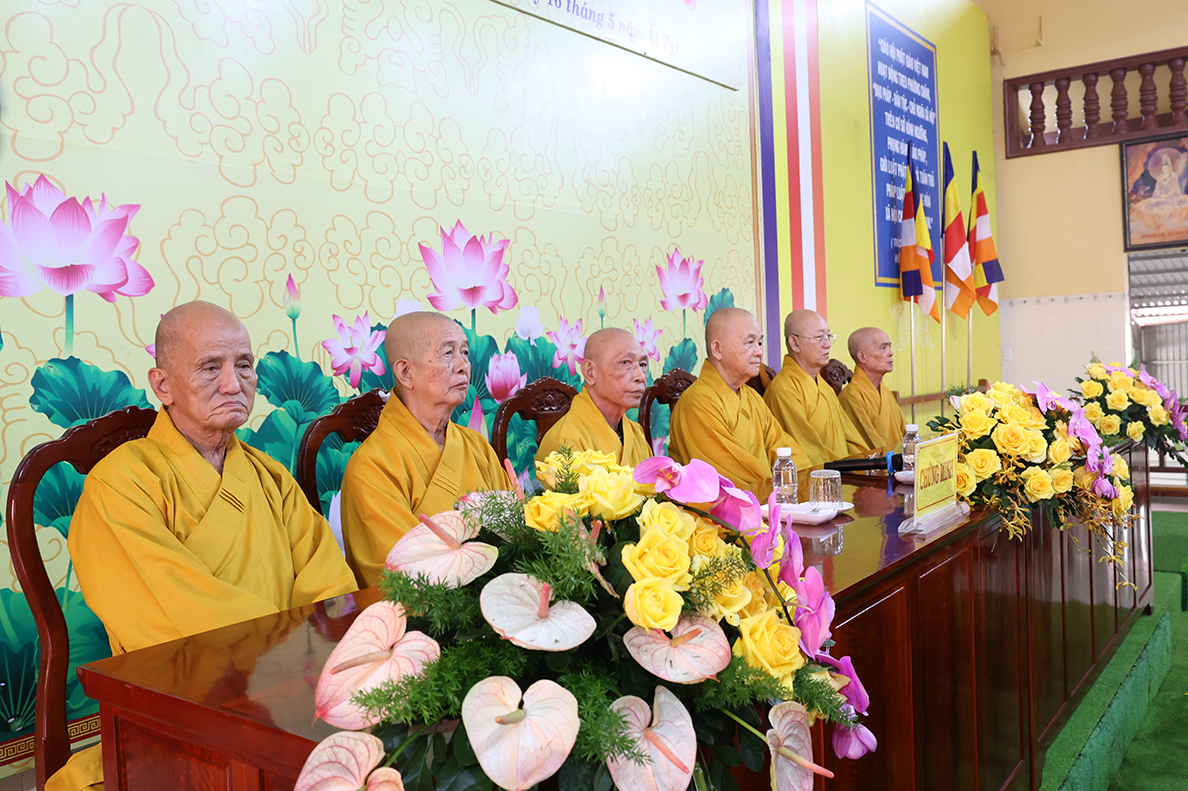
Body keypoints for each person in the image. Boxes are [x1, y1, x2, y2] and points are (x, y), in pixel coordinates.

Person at [54, 302, 357, 791]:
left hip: (301, 691)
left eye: (244, 365)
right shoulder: (120, 485)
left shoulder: (269, 475)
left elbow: (330, 585)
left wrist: (312, 665)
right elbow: (172, 623)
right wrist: (289, 655)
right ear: (163, 385)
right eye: (210, 367)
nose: (234, 384)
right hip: (188, 710)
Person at [340, 311, 512, 588]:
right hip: (432, 607)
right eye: (448, 353)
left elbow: (513, 533)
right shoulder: (371, 467)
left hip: (498, 593)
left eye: (465, 353)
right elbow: (405, 575)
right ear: (405, 372)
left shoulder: (477, 445)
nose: (463, 366)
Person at [668, 307, 807, 500]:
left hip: (770, 501)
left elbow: (786, 453)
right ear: (717, 349)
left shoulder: (752, 398)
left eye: (760, 342)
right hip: (726, 512)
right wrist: (782, 489)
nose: (759, 352)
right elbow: (729, 483)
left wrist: (804, 482)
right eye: (750, 343)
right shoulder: (696, 403)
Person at [764, 309, 868, 467]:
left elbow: (851, 437)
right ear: (795, 343)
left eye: (828, 336)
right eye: (819, 338)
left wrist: (865, 465)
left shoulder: (824, 387)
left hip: (845, 473)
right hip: (822, 477)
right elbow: (807, 454)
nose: (827, 344)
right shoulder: (783, 389)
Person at [535, 327, 652, 466]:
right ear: (590, 372)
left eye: (642, 365)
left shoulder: (635, 433)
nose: (640, 376)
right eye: (625, 363)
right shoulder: (565, 441)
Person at [839, 327, 907, 450]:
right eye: (883, 348)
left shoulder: (886, 393)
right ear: (862, 356)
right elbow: (865, 446)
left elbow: (906, 433)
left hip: (899, 459)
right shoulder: (851, 396)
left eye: (889, 346)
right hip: (878, 461)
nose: (891, 352)